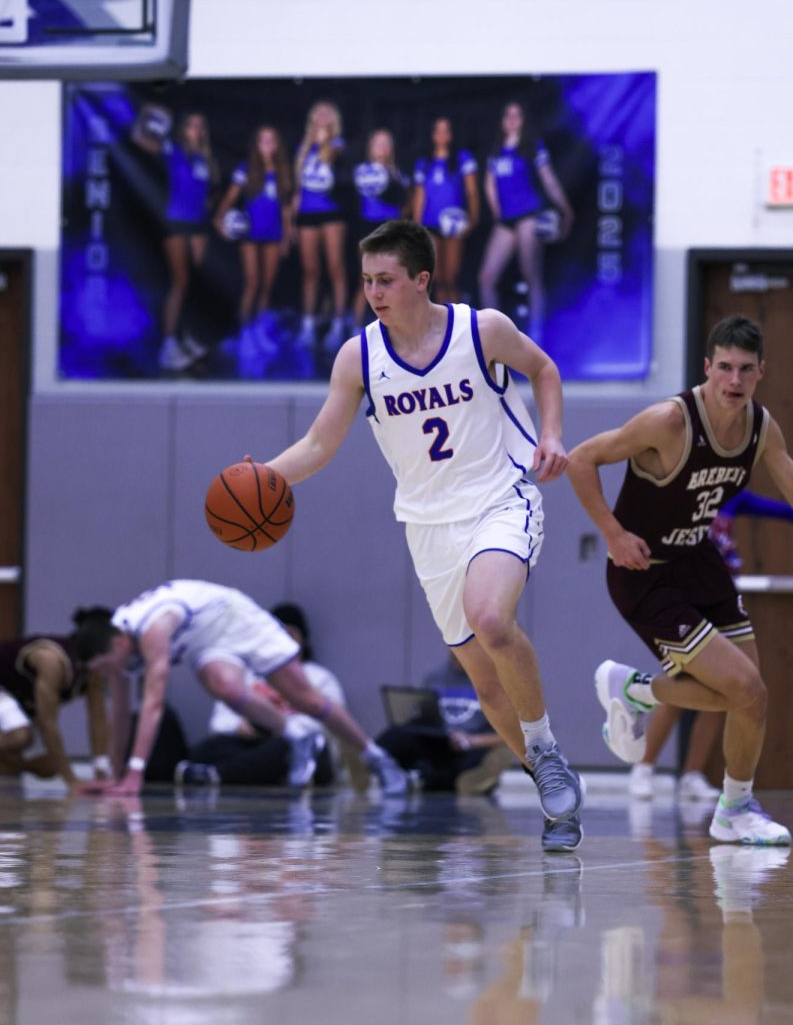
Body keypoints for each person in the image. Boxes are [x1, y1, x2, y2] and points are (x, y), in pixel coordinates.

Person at [255, 219, 583, 851]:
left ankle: (542, 749)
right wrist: (263, 475)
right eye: (367, 281)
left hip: (500, 499)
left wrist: (552, 433)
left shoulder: (479, 328)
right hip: (428, 527)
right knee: (484, 684)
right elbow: (322, 441)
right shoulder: (359, 356)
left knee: (491, 618)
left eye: (386, 280)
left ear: (421, 279)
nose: (373, 292)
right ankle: (551, 786)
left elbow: (543, 369)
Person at [567, 315, 793, 845]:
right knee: (739, 689)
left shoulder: (761, 428)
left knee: (752, 696)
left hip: (700, 562)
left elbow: (786, 475)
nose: (734, 381)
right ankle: (634, 688)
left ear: (761, 371)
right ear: (708, 368)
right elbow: (582, 459)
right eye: (724, 369)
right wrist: (613, 532)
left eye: (745, 370)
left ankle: (733, 807)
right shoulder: (668, 421)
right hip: (646, 574)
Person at [71, 581, 407, 797]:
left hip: (235, 617)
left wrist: (135, 774)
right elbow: (120, 714)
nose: (106, 672)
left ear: (117, 643)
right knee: (226, 689)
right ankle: (296, 735)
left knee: (305, 699)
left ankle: (375, 755)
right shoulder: (117, 645)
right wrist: (115, 776)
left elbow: (153, 705)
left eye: (104, 666)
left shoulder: (152, 630)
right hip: (207, 639)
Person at [630, 487, 793, 801]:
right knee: (682, 684)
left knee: (729, 690)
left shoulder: (736, 496)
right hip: (686, 601)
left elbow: (784, 511)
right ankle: (644, 768)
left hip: (722, 601)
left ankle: (691, 775)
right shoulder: (684, 488)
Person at [177, 602, 346, 789]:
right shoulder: (248, 675)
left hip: (294, 747)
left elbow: (330, 725)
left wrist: (279, 726)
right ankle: (248, 772)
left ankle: (218, 775)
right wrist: (241, 727)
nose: (284, 640)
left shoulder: (319, 677)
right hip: (253, 744)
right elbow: (219, 721)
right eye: (279, 633)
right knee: (206, 750)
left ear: (303, 639)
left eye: (290, 634)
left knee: (290, 747)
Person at [478, 101, 573, 347]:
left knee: (531, 275)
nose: (511, 119)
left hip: (528, 217)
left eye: (516, 115)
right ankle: (494, 335)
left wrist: (565, 210)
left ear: (523, 120)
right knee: (486, 278)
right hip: (506, 221)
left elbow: (549, 180)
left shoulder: (532, 146)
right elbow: (489, 184)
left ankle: (537, 333)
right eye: (507, 115)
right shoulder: (497, 149)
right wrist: (498, 211)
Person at [376, 648, 513, 796]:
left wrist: (470, 741)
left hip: (473, 744)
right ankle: (373, 758)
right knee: (398, 733)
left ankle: (477, 780)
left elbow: (511, 733)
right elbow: (426, 716)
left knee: (501, 750)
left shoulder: (496, 680)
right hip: (440, 741)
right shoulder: (435, 676)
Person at [0, 631, 109, 791]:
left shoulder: (94, 673)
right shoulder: (51, 660)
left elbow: (98, 721)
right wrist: (71, 781)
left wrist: (100, 772)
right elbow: (47, 722)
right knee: (20, 736)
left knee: (49, 768)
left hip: (16, 698)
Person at [215, 124, 294, 361]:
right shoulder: (246, 168)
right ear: (256, 144)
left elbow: (286, 208)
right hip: (250, 233)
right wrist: (219, 218)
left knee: (266, 285)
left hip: (273, 234)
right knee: (252, 282)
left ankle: (259, 333)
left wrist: (287, 235)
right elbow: (230, 197)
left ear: (277, 145)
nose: (267, 145)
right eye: (263, 140)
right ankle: (244, 335)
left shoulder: (283, 171)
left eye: (271, 140)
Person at [158, 111, 218, 373]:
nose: (196, 129)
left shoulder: (206, 159)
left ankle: (186, 338)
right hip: (175, 223)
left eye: (200, 125)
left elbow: (206, 193)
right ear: (184, 130)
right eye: (191, 125)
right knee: (180, 282)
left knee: (193, 284)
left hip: (199, 226)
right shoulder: (173, 150)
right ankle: (168, 344)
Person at [293, 101, 350, 349]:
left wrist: (325, 142)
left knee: (335, 267)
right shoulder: (303, 148)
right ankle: (308, 325)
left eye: (328, 111)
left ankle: (338, 325)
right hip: (307, 213)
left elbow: (333, 164)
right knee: (309, 270)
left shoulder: (337, 145)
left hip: (332, 212)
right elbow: (298, 188)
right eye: (318, 110)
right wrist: (291, 222)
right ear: (311, 117)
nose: (322, 114)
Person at [412, 116, 479, 303]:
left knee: (451, 277)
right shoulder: (424, 163)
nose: (442, 134)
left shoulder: (462, 158)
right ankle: (443, 325)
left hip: (454, 225)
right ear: (432, 134)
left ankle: (457, 323)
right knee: (437, 279)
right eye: (438, 130)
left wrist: (473, 219)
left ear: (451, 134)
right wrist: (417, 227)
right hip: (430, 224)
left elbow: (472, 191)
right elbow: (419, 196)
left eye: (446, 130)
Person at [351, 128, 410, 331]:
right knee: (367, 280)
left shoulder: (399, 174)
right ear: (370, 147)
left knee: (393, 280)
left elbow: (405, 205)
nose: (382, 147)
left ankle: (393, 327)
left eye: (386, 143)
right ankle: (355, 329)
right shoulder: (361, 172)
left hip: (391, 229)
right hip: (369, 229)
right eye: (378, 143)